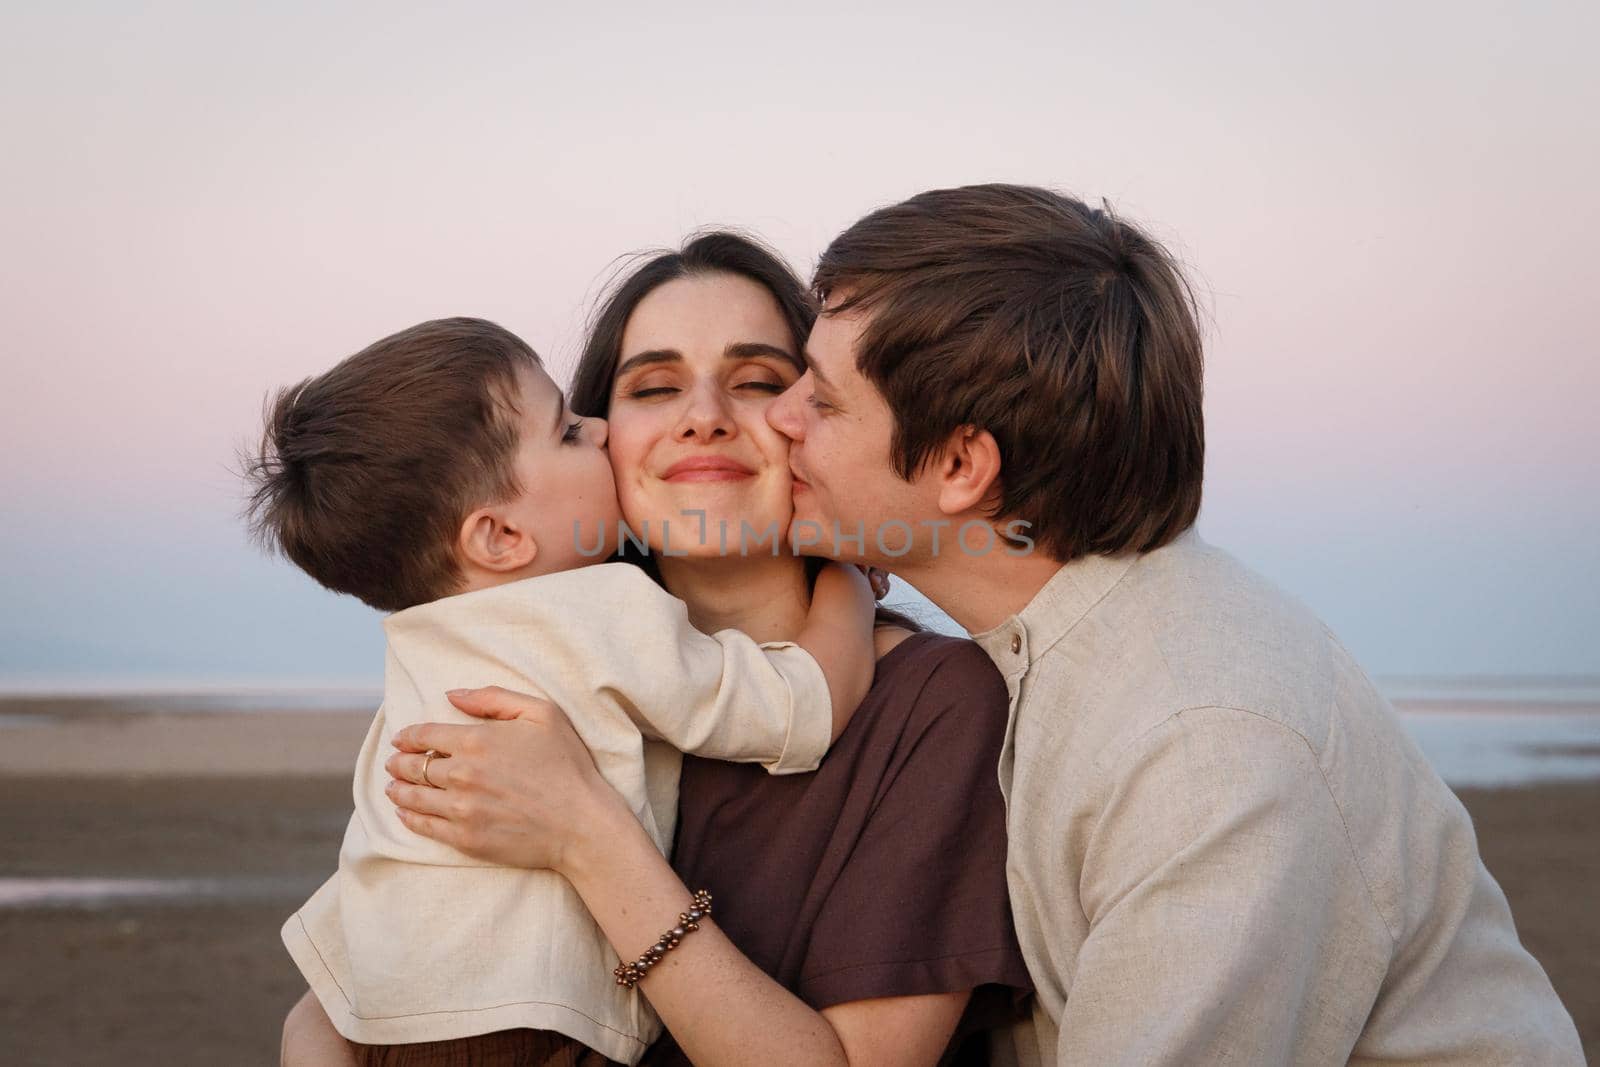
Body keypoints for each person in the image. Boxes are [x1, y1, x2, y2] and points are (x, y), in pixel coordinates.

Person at [756, 183, 1584, 1064]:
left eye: (826, 400)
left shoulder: (1203, 751)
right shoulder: (1060, 648)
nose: (781, 414)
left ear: (961, 464)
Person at [282, 233, 1032, 1066]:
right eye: (654, 386)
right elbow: (351, 986)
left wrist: (587, 837)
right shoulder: (524, 680)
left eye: (755, 381)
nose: (703, 415)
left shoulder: (935, 703)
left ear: (814, 420)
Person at [245, 316, 879, 1062]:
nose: (602, 432)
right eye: (570, 432)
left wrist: (313, 1027)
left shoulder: (425, 645)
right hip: (530, 1025)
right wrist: (848, 586)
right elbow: (794, 709)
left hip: (379, 1020)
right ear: (500, 537)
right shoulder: (602, 610)